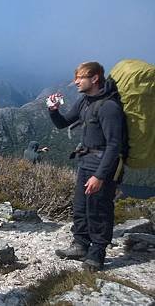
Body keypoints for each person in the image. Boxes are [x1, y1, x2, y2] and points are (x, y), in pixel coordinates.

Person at [48, 61, 124, 272]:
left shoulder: (109, 107)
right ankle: (80, 245)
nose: (76, 82)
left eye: (80, 78)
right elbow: (63, 123)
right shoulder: (85, 102)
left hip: (102, 166)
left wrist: (100, 176)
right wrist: (54, 111)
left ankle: (97, 255)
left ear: (95, 78)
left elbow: (114, 144)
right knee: (81, 207)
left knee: (99, 210)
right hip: (85, 163)